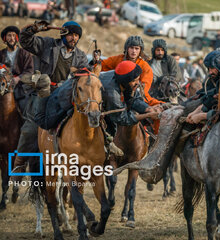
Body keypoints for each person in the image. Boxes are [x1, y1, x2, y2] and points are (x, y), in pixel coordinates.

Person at [11, 20, 89, 180]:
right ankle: (18, 168)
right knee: (30, 130)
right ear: (63, 34)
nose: (73, 38)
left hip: (65, 97)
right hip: (43, 93)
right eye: (70, 34)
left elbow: (83, 80)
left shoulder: (81, 57)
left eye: (76, 35)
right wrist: (33, 29)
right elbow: (24, 41)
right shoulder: (48, 45)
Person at [93, 35, 162, 107]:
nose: (134, 51)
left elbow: (144, 90)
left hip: (134, 96)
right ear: (127, 48)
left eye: (137, 48)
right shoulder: (118, 59)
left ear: (140, 50)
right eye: (131, 48)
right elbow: (101, 65)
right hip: (114, 93)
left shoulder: (145, 67)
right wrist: (96, 62)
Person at [0, 25, 34, 114]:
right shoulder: (1, 54)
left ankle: (26, 127)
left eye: (14, 35)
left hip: (21, 89)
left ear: (17, 38)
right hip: (2, 87)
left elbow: (30, 71)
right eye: (9, 35)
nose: (12, 38)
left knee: (25, 108)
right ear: (5, 38)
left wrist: (18, 78)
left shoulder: (25, 54)